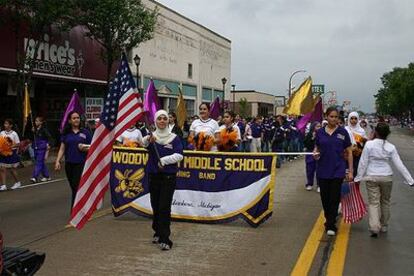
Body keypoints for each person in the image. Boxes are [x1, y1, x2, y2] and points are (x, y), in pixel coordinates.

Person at [355, 122, 414, 237]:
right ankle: (384, 225)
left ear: (375, 132)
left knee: (373, 202)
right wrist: (410, 180)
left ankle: (374, 227)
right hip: (387, 177)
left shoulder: (369, 145)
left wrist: (358, 177)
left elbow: (363, 162)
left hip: (372, 176)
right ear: (388, 134)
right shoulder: (391, 147)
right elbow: (399, 165)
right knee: (385, 201)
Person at [143, 110, 183, 251]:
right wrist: (148, 139)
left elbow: (179, 155)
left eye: (164, 118)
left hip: (168, 177)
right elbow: (143, 144)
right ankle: (157, 231)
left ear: (168, 121)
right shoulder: (151, 137)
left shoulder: (174, 138)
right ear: (155, 121)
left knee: (164, 207)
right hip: (154, 176)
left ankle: (165, 238)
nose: (162, 121)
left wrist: (164, 160)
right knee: (155, 205)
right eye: (159, 118)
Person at [313, 107, 353, 236]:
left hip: (338, 170)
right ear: (326, 117)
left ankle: (330, 224)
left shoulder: (343, 133)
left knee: (334, 198)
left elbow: (349, 152)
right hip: (323, 170)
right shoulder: (320, 133)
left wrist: (350, 171)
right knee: (325, 198)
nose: (334, 119)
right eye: (331, 116)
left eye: (336, 117)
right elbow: (317, 147)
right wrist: (315, 153)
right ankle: (328, 218)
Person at [55, 111, 92, 208]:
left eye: (78, 118)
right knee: (73, 187)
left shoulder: (85, 132)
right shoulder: (66, 134)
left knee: (76, 187)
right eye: (74, 118)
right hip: (69, 164)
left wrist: (84, 147)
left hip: (81, 164)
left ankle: (75, 209)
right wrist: (58, 160)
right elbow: (62, 148)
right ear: (70, 121)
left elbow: (92, 147)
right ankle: (82, 205)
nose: (76, 120)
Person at [0, 119, 21, 190]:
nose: (5, 125)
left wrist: (9, 147)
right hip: (3, 153)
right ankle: (3, 185)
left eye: (6, 123)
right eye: (4, 123)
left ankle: (17, 182)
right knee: (2, 169)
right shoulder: (2, 133)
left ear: (11, 125)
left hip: (12, 153)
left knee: (12, 170)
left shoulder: (14, 133)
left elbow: (18, 144)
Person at [345, 111, 368, 178]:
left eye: (355, 118)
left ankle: (355, 187)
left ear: (358, 119)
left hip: (357, 155)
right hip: (346, 155)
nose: (353, 120)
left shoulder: (362, 131)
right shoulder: (345, 129)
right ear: (349, 119)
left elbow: (364, 143)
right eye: (352, 118)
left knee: (356, 173)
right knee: (347, 174)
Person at [30, 116, 52, 183]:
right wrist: (33, 132)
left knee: (38, 162)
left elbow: (49, 137)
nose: (36, 122)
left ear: (41, 122)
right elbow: (32, 138)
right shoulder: (34, 129)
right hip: (36, 147)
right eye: (35, 121)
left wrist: (48, 144)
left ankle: (34, 176)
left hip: (42, 147)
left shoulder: (44, 130)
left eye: (37, 121)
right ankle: (47, 176)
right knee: (41, 162)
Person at [304, 122, 321, 191]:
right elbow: (305, 143)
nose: (319, 128)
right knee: (310, 170)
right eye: (317, 126)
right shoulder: (309, 134)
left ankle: (319, 185)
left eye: (320, 126)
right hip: (310, 154)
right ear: (313, 127)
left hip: (319, 154)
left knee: (319, 170)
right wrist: (312, 138)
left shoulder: (322, 134)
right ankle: (309, 184)